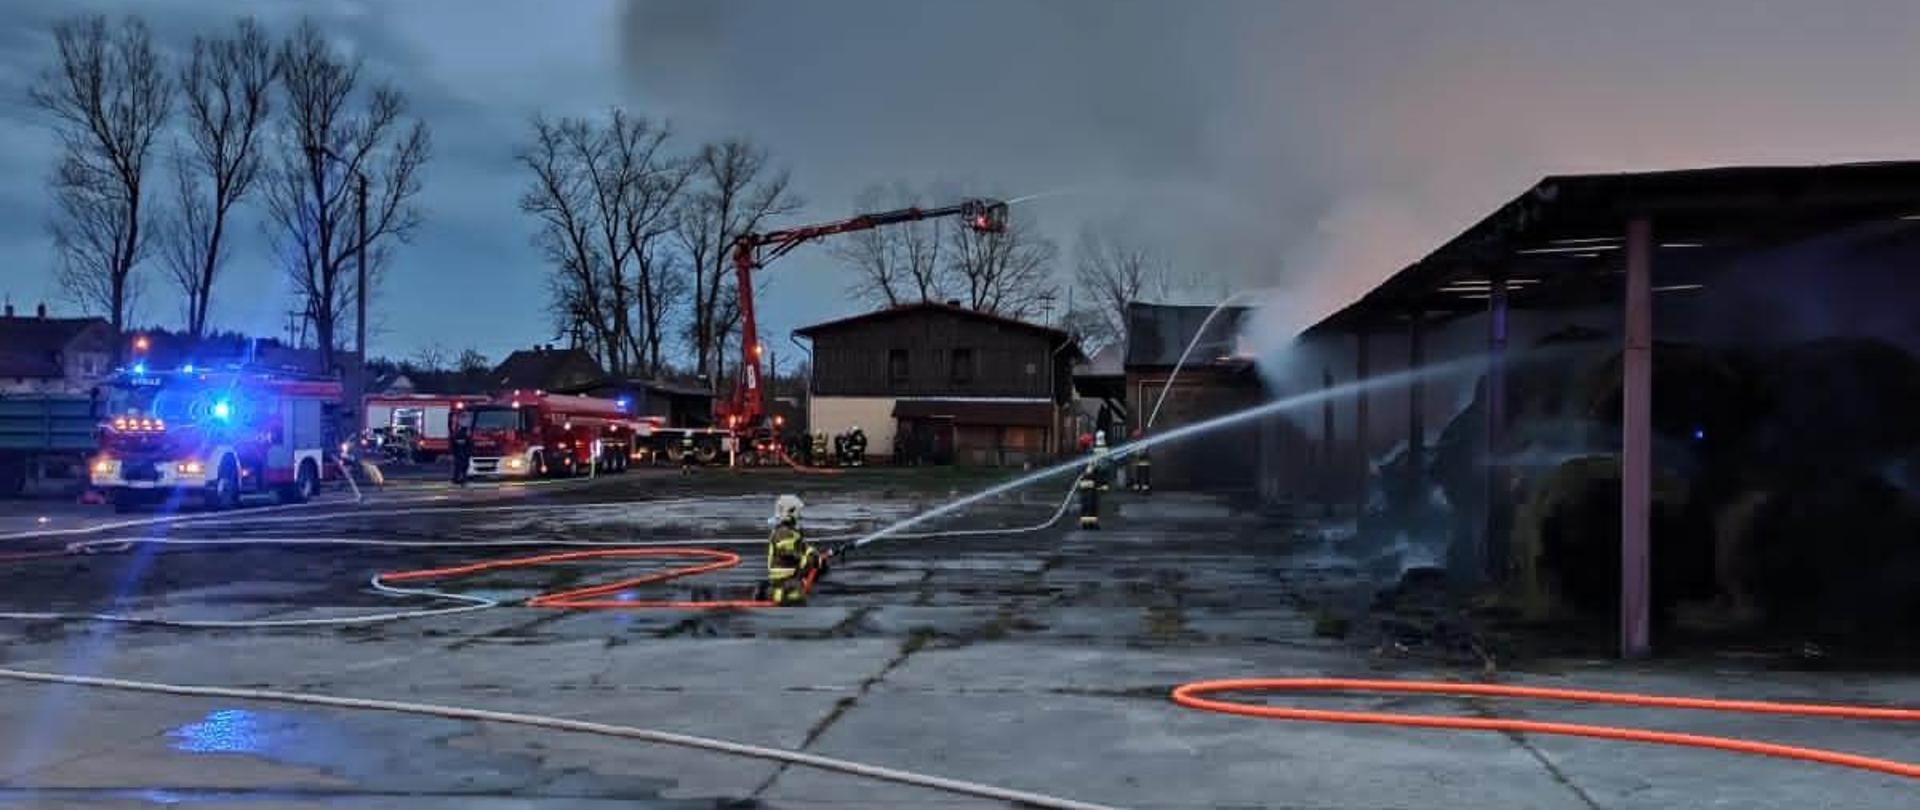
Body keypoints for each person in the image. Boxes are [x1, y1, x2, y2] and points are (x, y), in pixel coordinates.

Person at [759, 494, 825, 606]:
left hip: (792, 575)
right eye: (798, 511)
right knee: (795, 597)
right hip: (783, 577)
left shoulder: (792, 531)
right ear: (791, 511)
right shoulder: (783, 532)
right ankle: (768, 592)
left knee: (820, 565)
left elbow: (803, 547)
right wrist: (808, 559)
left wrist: (814, 555)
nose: (800, 515)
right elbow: (789, 554)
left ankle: (793, 588)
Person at [1078, 431, 1113, 529]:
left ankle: (1087, 523)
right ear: (1088, 443)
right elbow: (1099, 468)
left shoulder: (1083, 454)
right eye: (1091, 442)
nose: (1092, 443)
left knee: (1087, 504)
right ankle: (1090, 524)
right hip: (1091, 483)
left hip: (1085, 484)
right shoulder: (1090, 454)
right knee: (1091, 505)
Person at [1129, 429, 1152, 494]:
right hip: (1139, 462)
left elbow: (1142, 452)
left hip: (1142, 462)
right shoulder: (1135, 442)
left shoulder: (1143, 442)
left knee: (1144, 477)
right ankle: (1138, 489)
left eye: (1136, 437)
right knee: (1138, 477)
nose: (1135, 438)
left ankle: (1145, 490)